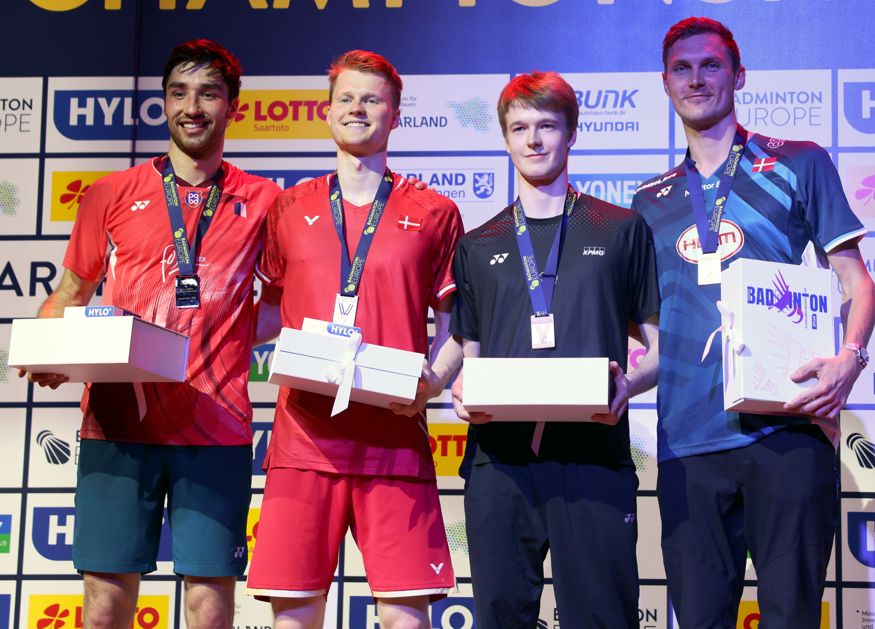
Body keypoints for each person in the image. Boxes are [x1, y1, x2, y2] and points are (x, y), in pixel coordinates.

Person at [18, 39, 281, 628]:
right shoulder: (110, 194)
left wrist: (228, 332)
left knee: (209, 605)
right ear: (163, 102)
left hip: (216, 426)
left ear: (233, 106)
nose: (193, 106)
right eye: (179, 92)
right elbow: (68, 295)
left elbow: (283, 307)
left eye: (209, 93)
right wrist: (49, 351)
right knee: (106, 601)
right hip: (118, 425)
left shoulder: (265, 201)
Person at [631, 17, 875, 628]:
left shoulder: (798, 162)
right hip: (688, 440)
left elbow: (855, 281)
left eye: (710, 65)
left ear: (738, 76)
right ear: (665, 84)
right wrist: (617, 385)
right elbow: (654, 337)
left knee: (791, 618)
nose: (697, 79)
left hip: (786, 429)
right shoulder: (647, 201)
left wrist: (850, 358)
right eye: (682, 68)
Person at [246, 50, 463, 629]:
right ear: (327, 112)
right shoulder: (287, 207)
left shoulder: (435, 211)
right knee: (294, 616)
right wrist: (189, 334)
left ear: (395, 116)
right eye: (347, 98)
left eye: (372, 99)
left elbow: (455, 323)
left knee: (404, 617)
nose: (358, 108)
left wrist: (435, 380)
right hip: (302, 441)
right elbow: (265, 316)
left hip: (393, 435)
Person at [449, 71, 660, 628]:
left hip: (593, 457)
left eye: (547, 125)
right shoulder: (477, 243)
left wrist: (627, 386)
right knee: (499, 616)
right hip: (499, 464)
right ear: (506, 138)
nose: (534, 140)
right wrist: (460, 391)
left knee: (601, 617)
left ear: (572, 133)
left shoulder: (620, 229)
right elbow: (469, 356)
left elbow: (661, 349)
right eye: (520, 127)